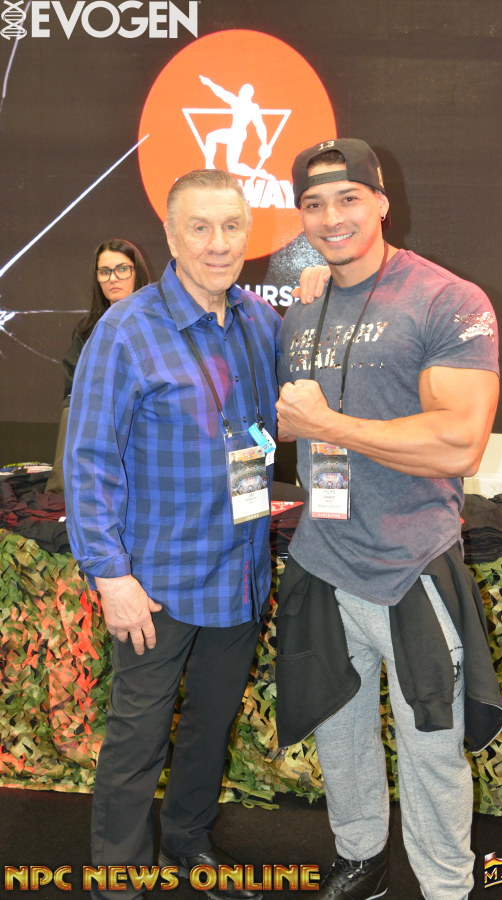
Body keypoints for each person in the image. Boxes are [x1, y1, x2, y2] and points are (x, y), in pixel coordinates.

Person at [275, 139, 502, 900]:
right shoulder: (304, 306)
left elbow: (459, 442)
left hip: (409, 567)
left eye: (348, 198)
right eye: (314, 204)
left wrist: (328, 427)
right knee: (339, 733)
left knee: (432, 746)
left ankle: (445, 886)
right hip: (322, 558)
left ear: (380, 201)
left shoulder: (447, 299)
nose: (332, 217)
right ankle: (362, 857)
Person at [64, 170, 281, 900]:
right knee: (137, 740)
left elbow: (285, 417)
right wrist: (111, 576)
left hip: (239, 574)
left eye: (231, 226)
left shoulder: (260, 322)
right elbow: (89, 459)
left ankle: (189, 842)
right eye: (200, 227)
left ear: (248, 232)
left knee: (209, 729)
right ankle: (119, 879)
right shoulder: (125, 331)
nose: (218, 244)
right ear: (171, 235)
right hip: (154, 585)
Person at [47, 239, 151, 493]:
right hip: (96, 425)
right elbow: (74, 391)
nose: (113, 278)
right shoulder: (87, 331)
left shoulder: (158, 324)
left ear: (137, 272)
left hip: (146, 424)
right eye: (104, 271)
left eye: (122, 269)